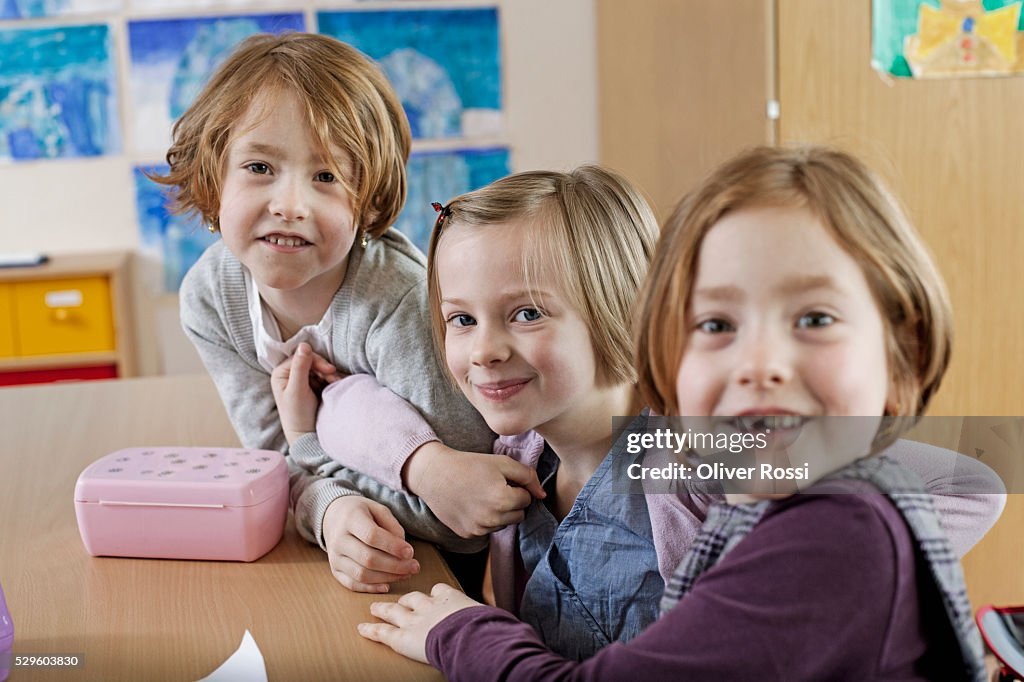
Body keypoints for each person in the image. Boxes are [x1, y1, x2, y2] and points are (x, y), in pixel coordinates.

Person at [355, 147, 997, 680]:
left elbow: (980, 473)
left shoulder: (704, 451)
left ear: (628, 314)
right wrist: (422, 463)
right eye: (717, 323)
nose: (758, 364)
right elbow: (352, 401)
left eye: (815, 319)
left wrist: (777, 561)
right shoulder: (524, 448)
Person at [153, 32, 521, 593]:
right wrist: (328, 510)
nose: (290, 204)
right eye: (259, 167)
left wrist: (312, 460)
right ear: (213, 179)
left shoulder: (395, 302)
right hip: (333, 559)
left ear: (370, 201)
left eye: (326, 177)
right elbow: (273, 468)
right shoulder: (210, 297)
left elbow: (465, 509)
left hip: (432, 576)